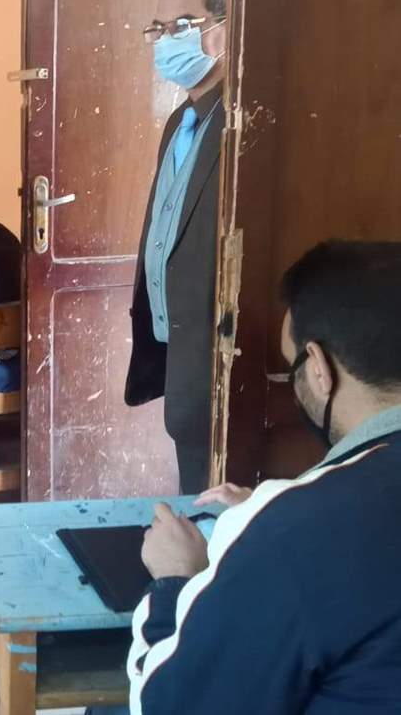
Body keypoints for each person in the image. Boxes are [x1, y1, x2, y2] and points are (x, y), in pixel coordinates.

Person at [128, 240, 401, 714]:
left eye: (292, 364)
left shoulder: (301, 531)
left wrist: (174, 580)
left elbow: (170, 705)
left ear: (319, 368)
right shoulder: (302, 523)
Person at [126, 0, 228, 494]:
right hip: (180, 356)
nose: (167, 41)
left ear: (227, 26)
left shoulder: (243, 122)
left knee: (216, 505)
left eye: (183, 25)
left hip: (222, 364)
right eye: (159, 29)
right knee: (194, 489)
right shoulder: (180, 122)